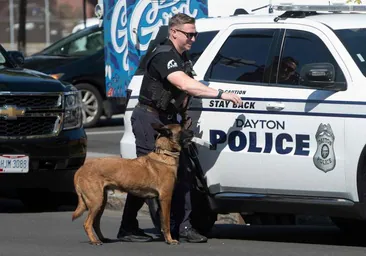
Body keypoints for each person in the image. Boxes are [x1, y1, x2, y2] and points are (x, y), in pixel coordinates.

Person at [116, 13, 242, 243]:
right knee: (144, 177)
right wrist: (221, 95)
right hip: (149, 120)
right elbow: (184, 84)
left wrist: (184, 119)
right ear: (174, 32)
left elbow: (183, 93)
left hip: (168, 123)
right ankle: (129, 227)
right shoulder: (164, 55)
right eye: (189, 34)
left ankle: (182, 226)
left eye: (195, 35)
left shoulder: (183, 57)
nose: (193, 39)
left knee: (183, 174)